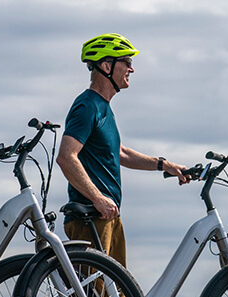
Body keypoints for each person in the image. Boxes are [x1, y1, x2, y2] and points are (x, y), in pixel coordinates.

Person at [56, 33, 192, 267]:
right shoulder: (87, 106)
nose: (131, 69)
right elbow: (66, 157)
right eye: (127, 62)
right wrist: (98, 198)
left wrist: (165, 165)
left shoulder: (103, 108)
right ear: (106, 66)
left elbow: (120, 154)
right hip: (92, 217)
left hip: (107, 216)